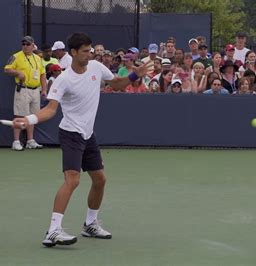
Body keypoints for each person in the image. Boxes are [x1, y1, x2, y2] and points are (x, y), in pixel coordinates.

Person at [12, 33, 151, 247]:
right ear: (73, 53)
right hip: (71, 134)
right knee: (73, 180)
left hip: (88, 134)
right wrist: (29, 119)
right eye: (85, 51)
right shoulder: (64, 79)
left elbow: (116, 84)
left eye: (91, 50)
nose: (90, 54)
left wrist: (135, 75)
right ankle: (53, 230)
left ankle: (90, 224)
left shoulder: (96, 67)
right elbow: (50, 110)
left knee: (100, 180)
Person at [4, 36, 46, 151]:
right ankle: (16, 141)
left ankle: (30, 140)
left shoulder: (37, 58)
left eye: (28, 44)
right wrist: (18, 72)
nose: (25, 46)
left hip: (35, 90)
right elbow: (7, 69)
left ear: (33, 46)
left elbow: (42, 74)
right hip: (23, 89)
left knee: (33, 117)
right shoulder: (16, 56)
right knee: (20, 115)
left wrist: (44, 90)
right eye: (23, 44)